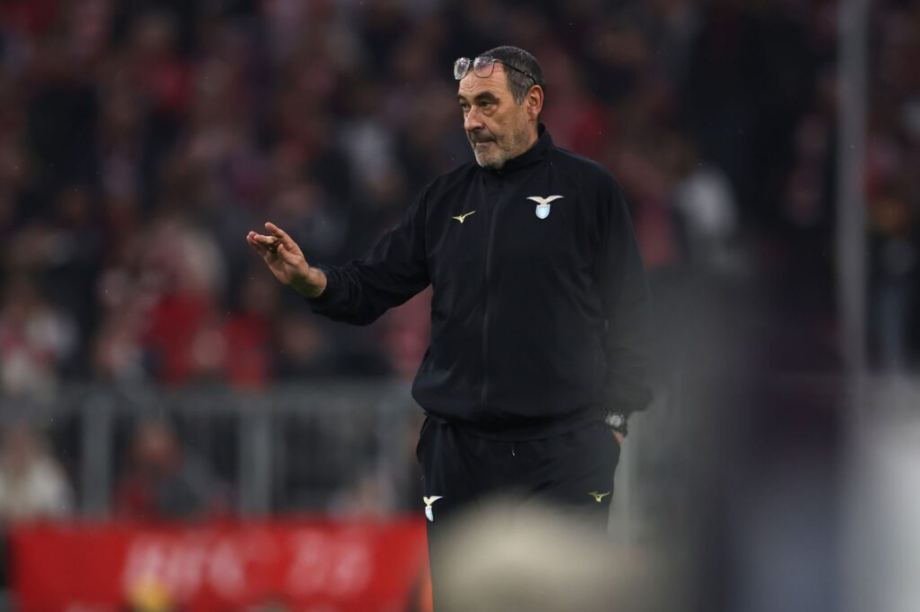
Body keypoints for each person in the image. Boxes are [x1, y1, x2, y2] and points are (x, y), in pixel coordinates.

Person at [248, 46, 653, 606]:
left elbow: (632, 313)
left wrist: (615, 419)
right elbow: (372, 286)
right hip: (460, 454)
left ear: (533, 102)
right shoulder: (444, 199)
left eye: (487, 103)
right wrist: (310, 279)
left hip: (565, 450)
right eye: (464, 106)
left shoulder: (590, 190)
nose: (472, 121)